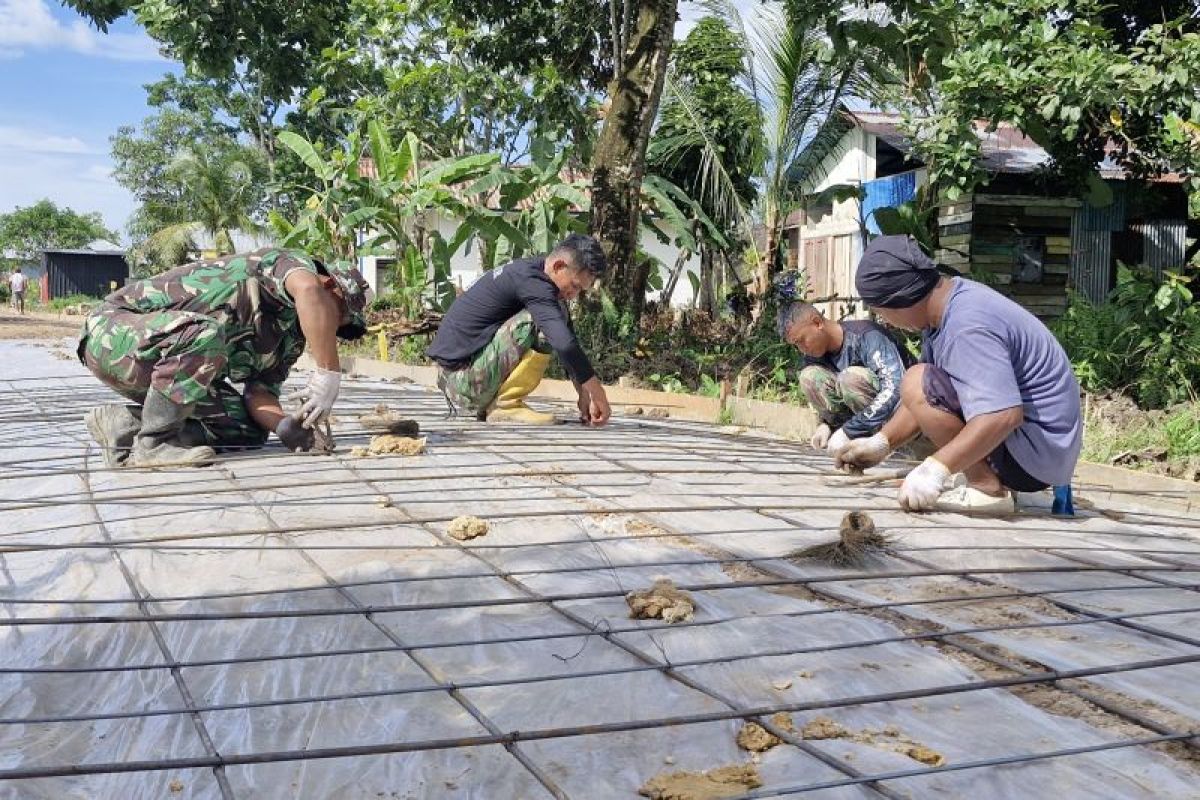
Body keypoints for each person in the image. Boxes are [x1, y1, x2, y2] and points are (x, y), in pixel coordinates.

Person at [835, 235, 1082, 514]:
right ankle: (987, 477)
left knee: (916, 379)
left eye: (882, 313)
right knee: (918, 381)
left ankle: (987, 489)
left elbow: (1003, 414)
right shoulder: (948, 304)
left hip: (1036, 457)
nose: (887, 322)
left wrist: (935, 469)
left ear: (899, 302)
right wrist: (882, 443)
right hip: (1040, 451)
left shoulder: (966, 326)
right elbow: (923, 401)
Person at [78, 248, 370, 468]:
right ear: (330, 287)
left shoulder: (289, 339)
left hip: (161, 367)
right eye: (339, 318)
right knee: (206, 334)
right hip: (114, 333)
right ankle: (153, 445)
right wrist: (328, 374)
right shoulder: (288, 264)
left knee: (246, 430)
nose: (334, 329)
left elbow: (261, 394)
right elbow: (308, 290)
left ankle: (126, 427)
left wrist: (284, 427)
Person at [428, 233, 611, 426]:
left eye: (580, 290)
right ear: (558, 266)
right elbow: (563, 343)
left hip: (462, 378)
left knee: (556, 315)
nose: (574, 295)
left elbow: (568, 337)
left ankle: (500, 403)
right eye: (574, 286)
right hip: (461, 382)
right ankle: (506, 405)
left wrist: (584, 394)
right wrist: (599, 394)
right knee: (538, 321)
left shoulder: (535, 275)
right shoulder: (533, 282)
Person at [779, 300, 911, 453]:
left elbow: (895, 389)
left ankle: (894, 446)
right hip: (860, 427)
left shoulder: (867, 336)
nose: (801, 349)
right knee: (809, 377)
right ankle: (850, 440)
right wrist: (826, 425)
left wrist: (849, 430)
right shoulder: (815, 355)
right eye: (796, 344)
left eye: (801, 340)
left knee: (850, 379)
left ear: (817, 323)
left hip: (907, 419)